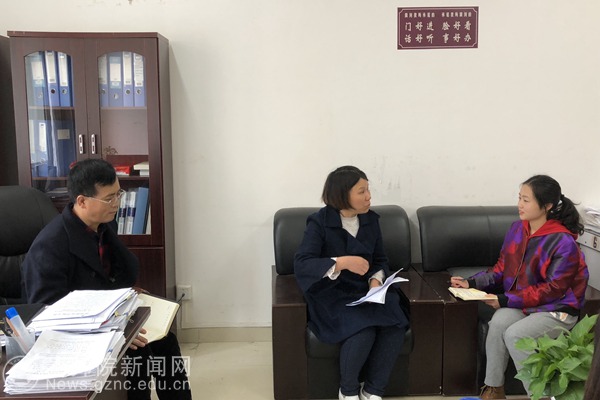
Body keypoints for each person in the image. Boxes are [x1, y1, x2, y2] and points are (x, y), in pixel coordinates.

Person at [22, 158, 192, 400]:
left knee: (166, 341)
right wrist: (114, 333)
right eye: (109, 198)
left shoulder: (103, 225)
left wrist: (128, 294)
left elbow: (109, 275)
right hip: (81, 332)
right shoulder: (50, 246)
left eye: (118, 194)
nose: (117, 203)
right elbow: (49, 313)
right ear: (82, 201)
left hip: (111, 315)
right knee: (138, 354)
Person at [450, 174, 589, 400]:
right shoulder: (518, 229)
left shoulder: (563, 242)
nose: (519, 205)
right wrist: (472, 282)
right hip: (527, 303)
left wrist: (505, 300)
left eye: (526, 200)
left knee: (516, 334)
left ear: (547, 206)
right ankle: (493, 390)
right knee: (499, 322)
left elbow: (553, 289)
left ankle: (540, 397)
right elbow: (502, 268)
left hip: (558, 308)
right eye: (519, 198)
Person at [294, 166, 409, 400]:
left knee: (395, 324)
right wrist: (342, 262)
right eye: (361, 191)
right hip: (332, 292)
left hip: (365, 290)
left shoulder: (370, 220)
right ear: (342, 194)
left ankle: (373, 391)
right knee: (362, 330)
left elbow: (380, 259)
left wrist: (376, 281)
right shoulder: (319, 222)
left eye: (368, 190)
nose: (369, 197)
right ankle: (347, 391)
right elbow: (303, 263)